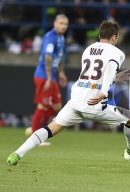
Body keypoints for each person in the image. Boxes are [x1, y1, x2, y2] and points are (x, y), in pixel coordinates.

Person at [7, 21, 130, 166]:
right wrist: (103, 92)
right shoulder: (116, 52)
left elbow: (96, 73)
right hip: (95, 105)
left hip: (76, 102)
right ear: (114, 38)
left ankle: (17, 154)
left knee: (51, 128)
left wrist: (116, 77)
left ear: (99, 36)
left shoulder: (88, 49)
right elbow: (110, 67)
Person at [27, 14, 69, 146]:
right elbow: (48, 58)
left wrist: (61, 73)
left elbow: (59, 57)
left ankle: (34, 129)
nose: (63, 26)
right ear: (55, 24)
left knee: (57, 106)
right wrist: (49, 78)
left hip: (52, 77)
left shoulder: (61, 37)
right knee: (43, 105)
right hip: (44, 77)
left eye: (65, 24)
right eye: (61, 23)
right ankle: (35, 135)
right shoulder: (50, 37)